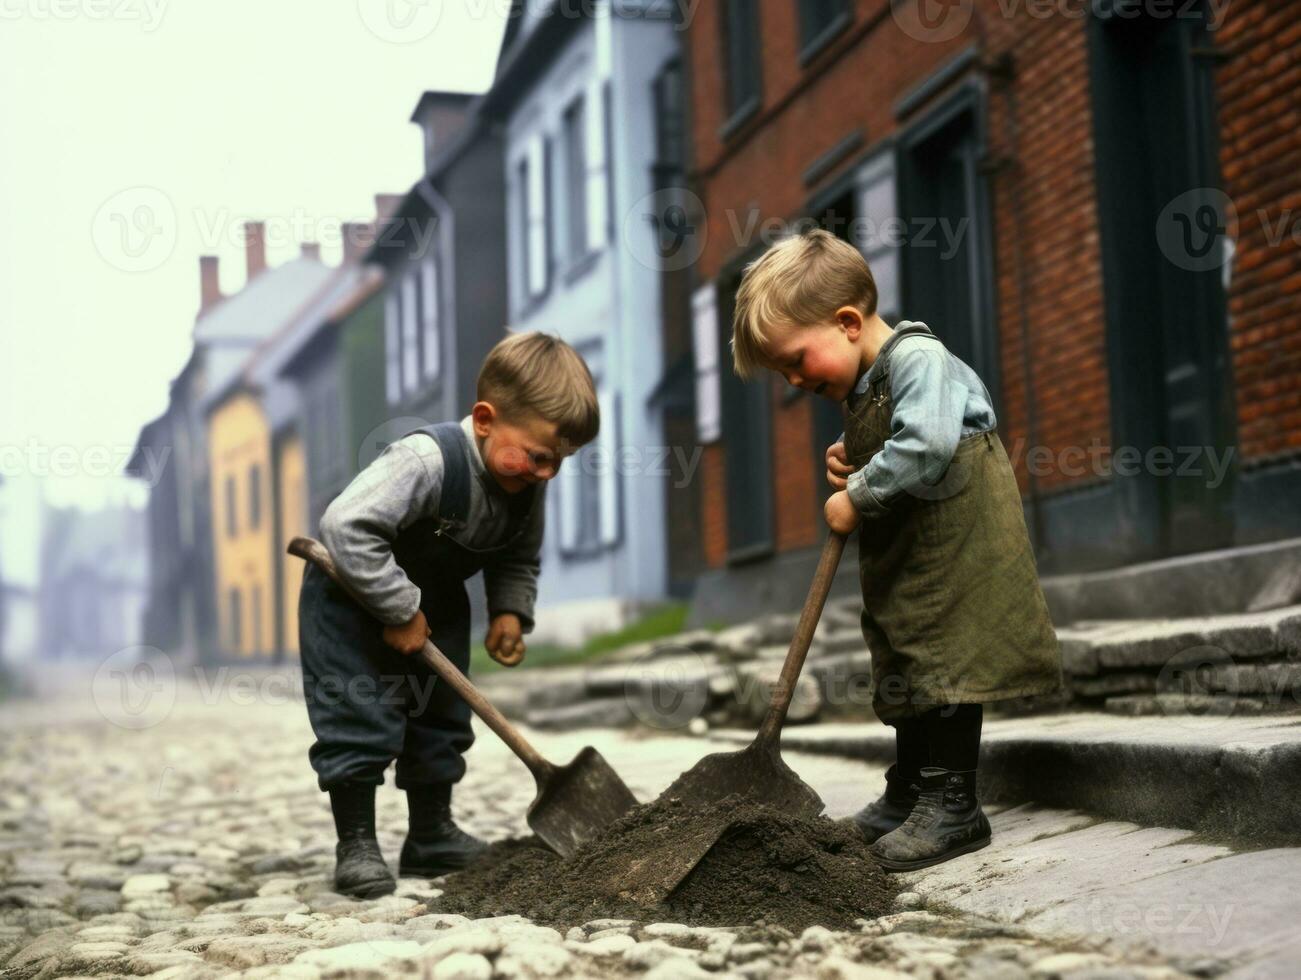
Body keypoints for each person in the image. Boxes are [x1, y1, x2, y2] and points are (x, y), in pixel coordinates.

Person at [730, 229, 1062, 872]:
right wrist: (851, 459)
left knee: (946, 656)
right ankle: (911, 787)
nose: (796, 380)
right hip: (913, 547)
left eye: (797, 361)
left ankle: (954, 803)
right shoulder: (870, 378)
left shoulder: (918, 359)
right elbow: (896, 438)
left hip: (955, 542)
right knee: (908, 652)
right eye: (785, 373)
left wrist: (859, 493)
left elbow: (928, 446)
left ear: (848, 322)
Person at [298, 331, 598, 897]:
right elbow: (344, 528)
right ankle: (357, 842)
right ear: (484, 419)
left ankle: (430, 834)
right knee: (358, 714)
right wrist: (399, 606)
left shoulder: (526, 483)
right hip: (348, 601)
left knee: (440, 718)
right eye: (537, 457)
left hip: (435, 604)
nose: (545, 474)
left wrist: (510, 611)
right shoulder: (425, 461)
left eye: (559, 462)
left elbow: (518, 554)